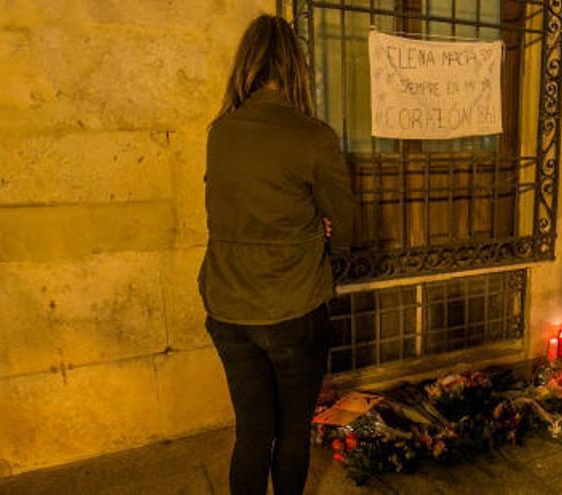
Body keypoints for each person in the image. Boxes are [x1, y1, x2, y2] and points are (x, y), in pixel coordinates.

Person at [198, 14, 355, 495]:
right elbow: (346, 226)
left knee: (251, 433)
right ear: (296, 68)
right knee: (291, 431)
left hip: (228, 308)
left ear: (246, 65)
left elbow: (227, 211)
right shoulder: (313, 136)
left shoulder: (220, 133)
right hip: (292, 307)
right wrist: (322, 233)